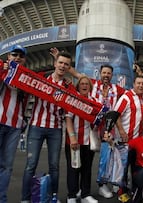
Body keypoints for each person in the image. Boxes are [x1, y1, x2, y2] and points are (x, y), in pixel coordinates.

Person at [21, 51, 75, 203]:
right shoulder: (42, 77)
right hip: (36, 126)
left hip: (55, 129)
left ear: (68, 67)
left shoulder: (67, 87)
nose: (63, 66)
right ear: (55, 63)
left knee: (54, 166)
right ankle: (25, 199)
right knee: (30, 165)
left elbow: (71, 108)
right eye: (61, 62)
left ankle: (53, 197)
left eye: (66, 64)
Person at [0, 44, 28, 203]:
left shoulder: (26, 79)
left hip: (15, 126)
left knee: (7, 166)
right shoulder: (2, 71)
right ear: (8, 57)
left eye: (21, 56)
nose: (17, 58)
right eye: (14, 54)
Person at [65, 76, 99, 203]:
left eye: (87, 84)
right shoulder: (74, 100)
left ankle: (85, 194)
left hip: (88, 141)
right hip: (75, 141)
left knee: (87, 168)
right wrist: (72, 137)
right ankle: (72, 195)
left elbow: (98, 120)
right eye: (82, 84)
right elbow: (68, 119)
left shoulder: (94, 101)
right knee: (73, 168)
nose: (84, 86)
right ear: (78, 86)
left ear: (90, 87)